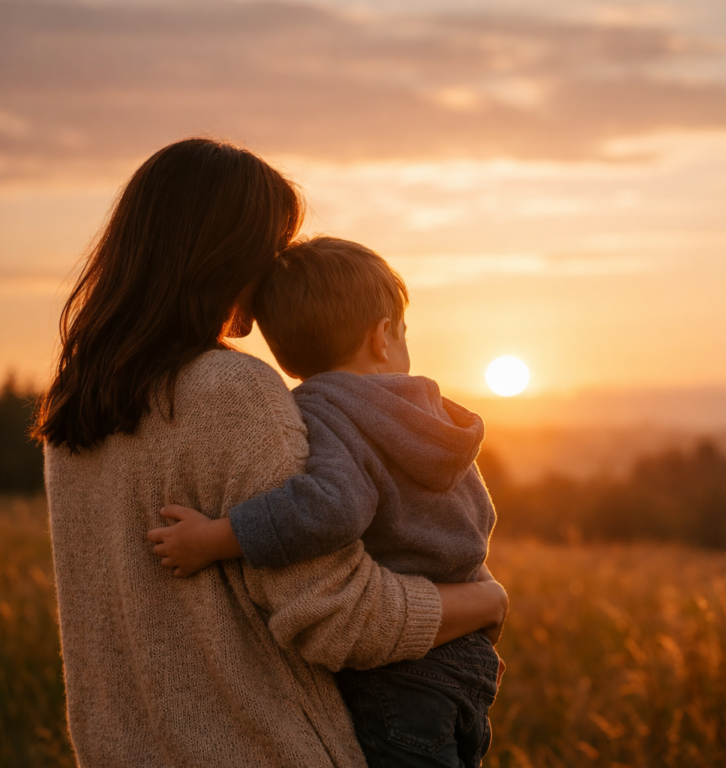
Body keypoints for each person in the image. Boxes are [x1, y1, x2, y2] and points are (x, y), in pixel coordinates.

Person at [34, 138, 508, 767]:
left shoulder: (77, 409)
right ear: (223, 254)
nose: (277, 277)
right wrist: (485, 601)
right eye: (274, 250)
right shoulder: (230, 390)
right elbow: (339, 616)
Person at [148, 236, 505, 767]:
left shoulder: (325, 408)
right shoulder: (434, 415)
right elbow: (479, 517)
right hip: (470, 659)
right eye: (405, 331)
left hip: (399, 671)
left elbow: (330, 509)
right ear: (384, 337)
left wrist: (213, 538)